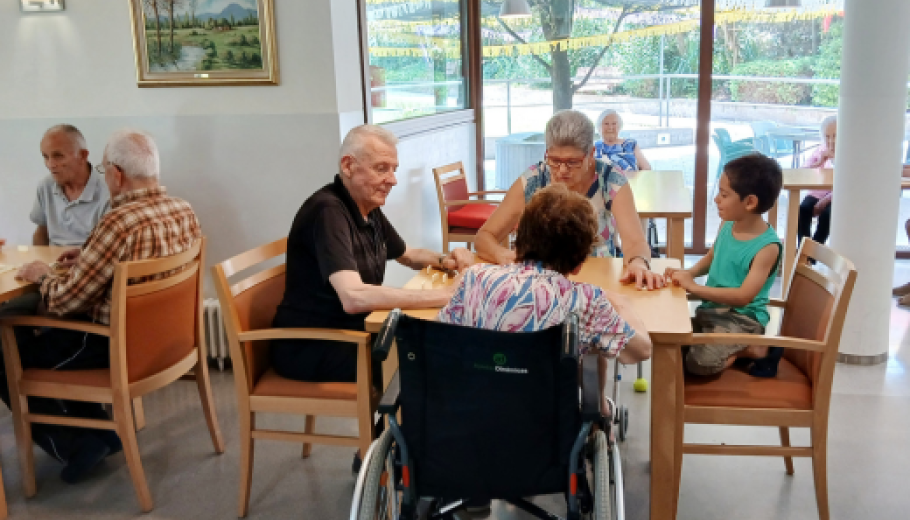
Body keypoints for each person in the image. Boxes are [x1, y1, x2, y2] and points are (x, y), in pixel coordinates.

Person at [438, 183, 651, 515]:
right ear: (580, 262)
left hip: (470, 424)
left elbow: (445, 340)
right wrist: (622, 305)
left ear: (518, 241)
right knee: (588, 361)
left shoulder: (473, 280)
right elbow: (640, 351)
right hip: (545, 435)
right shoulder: (586, 300)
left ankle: (476, 490)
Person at [271, 125, 473, 469]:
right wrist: (444, 295)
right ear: (349, 166)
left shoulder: (365, 207)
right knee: (423, 358)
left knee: (434, 348)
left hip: (352, 333)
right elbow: (352, 296)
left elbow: (408, 254)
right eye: (382, 168)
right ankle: (392, 457)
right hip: (313, 345)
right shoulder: (328, 211)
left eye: (393, 169)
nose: (392, 179)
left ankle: (401, 450)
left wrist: (449, 260)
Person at [11, 128, 202, 483]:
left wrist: (41, 276)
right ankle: (101, 434)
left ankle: (75, 444)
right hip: (166, 345)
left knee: (8, 355)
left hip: (111, 346)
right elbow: (136, 260)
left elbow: (65, 302)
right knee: (43, 345)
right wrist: (87, 256)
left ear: (116, 174)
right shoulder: (182, 209)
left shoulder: (117, 222)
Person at [474, 110, 665, 290]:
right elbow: (485, 237)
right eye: (554, 160)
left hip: (597, 281)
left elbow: (634, 241)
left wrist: (638, 263)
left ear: (591, 154)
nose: (562, 170)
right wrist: (503, 255)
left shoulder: (610, 179)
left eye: (572, 162)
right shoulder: (534, 179)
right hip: (539, 284)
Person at [664, 154, 783, 377]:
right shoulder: (728, 224)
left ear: (750, 202)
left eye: (724, 194)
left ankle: (756, 349)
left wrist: (694, 287)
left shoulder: (768, 247)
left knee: (698, 364)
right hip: (712, 311)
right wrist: (687, 273)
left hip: (742, 320)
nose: (716, 199)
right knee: (669, 344)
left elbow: (743, 297)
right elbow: (711, 257)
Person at [0, 125, 110, 317]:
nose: (50, 164)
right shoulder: (46, 185)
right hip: (51, 274)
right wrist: (40, 268)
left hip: (83, 281)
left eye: (58, 156)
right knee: (8, 308)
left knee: (9, 312)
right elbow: (41, 232)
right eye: (45, 156)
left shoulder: (107, 190)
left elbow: (105, 256)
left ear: (83, 155)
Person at [797, 115, 836, 246]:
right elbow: (802, 172)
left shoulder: (848, 153)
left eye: (835, 136)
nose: (831, 141)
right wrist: (819, 161)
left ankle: (813, 254)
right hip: (817, 192)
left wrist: (824, 201)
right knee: (802, 210)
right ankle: (803, 251)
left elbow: (846, 184)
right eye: (827, 136)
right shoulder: (820, 150)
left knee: (827, 215)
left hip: (836, 196)